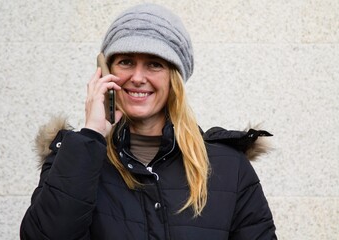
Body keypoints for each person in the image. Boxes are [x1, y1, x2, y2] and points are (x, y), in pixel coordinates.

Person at [20, 3, 277, 240]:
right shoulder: (74, 158)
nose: (138, 77)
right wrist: (92, 133)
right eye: (126, 62)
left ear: (173, 79)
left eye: (154, 64)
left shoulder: (230, 167)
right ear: (105, 72)